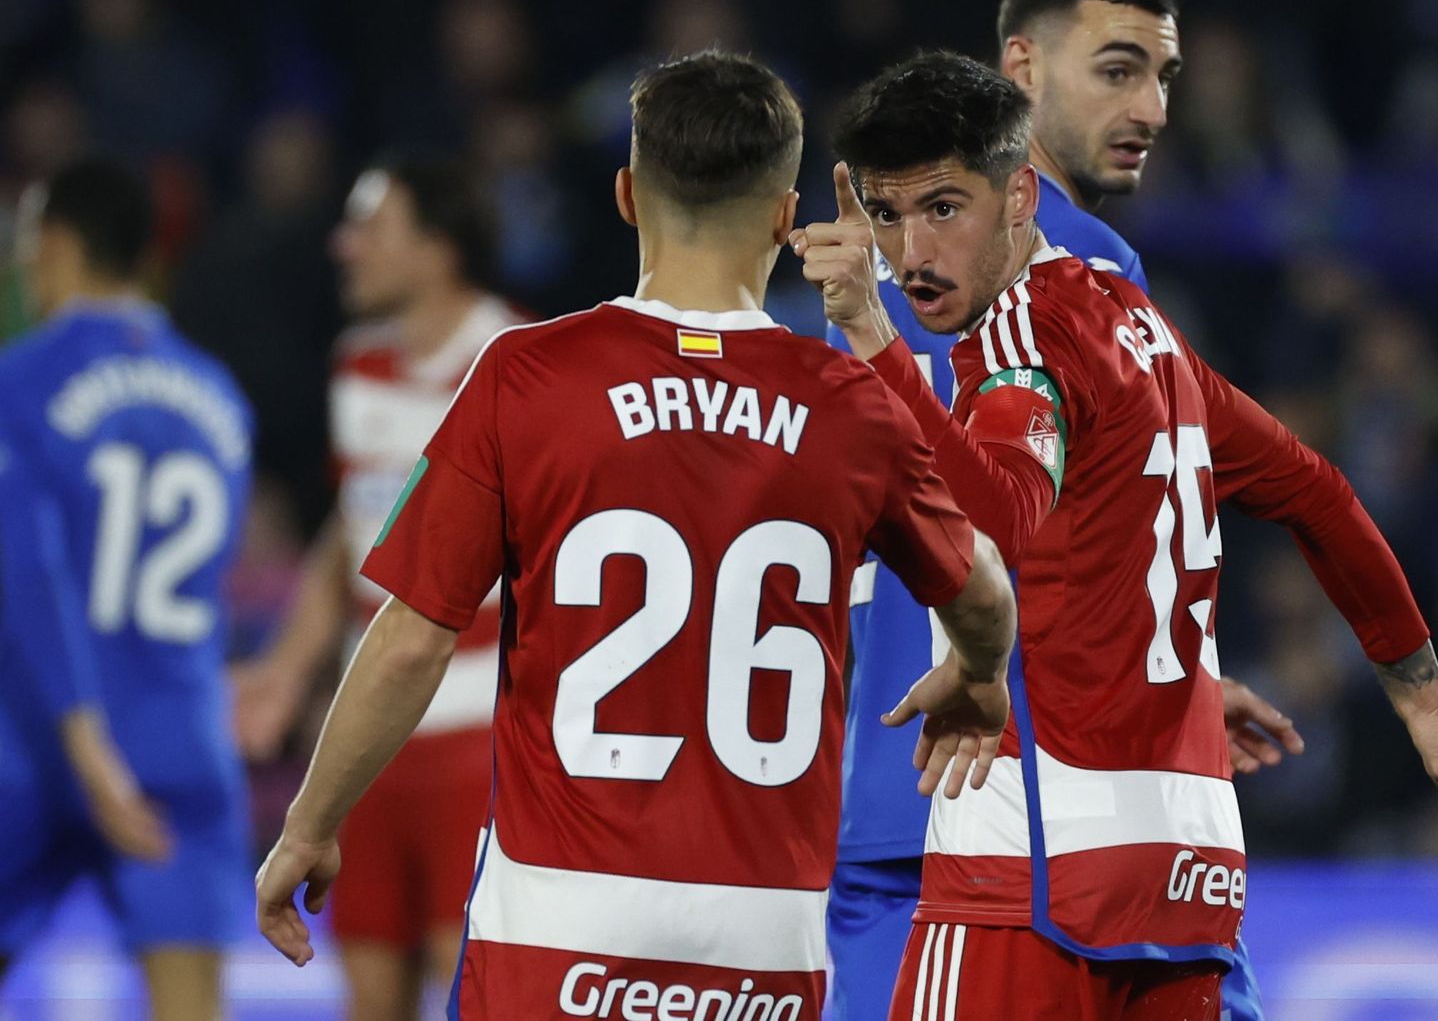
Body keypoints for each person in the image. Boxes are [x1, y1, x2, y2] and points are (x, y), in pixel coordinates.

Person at [254, 50, 1018, 1021]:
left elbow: (409, 637)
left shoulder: (525, 376)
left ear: (626, 194)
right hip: (764, 932)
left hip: (558, 921)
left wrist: (309, 825)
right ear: (786, 219)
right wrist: (979, 672)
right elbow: (982, 590)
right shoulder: (850, 406)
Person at [798, 51, 1438, 1019]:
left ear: (1019, 196)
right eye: (884, 216)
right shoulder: (1142, 330)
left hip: (1033, 862)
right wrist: (1418, 684)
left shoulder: (1018, 347)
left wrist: (873, 341)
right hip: (1188, 868)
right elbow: (1318, 490)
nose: (909, 255)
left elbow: (1001, 515)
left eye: (942, 207)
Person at [824, 0, 1294, 1017]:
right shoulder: (1081, 270)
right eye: (1116, 71)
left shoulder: (879, 267)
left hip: (890, 804)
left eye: (1162, 78)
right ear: (1021, 68)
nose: (1149, 110)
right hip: (1039, 827)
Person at [232, 155, 518, 1018]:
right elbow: (355, 535)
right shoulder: (357, 363)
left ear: (438, 249)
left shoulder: (518, 362)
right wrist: (287, 663)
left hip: (482, 741)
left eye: (370, 228)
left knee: (470, 986)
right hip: (363, 744)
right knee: (367, 997)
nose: (343, 244)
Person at [0, 158, 253, 1020]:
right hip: (175, 737)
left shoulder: (17, 382)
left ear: (60, 244)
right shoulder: (219, 391)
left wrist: (80, 743)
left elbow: (24, 572)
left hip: (30, 740)